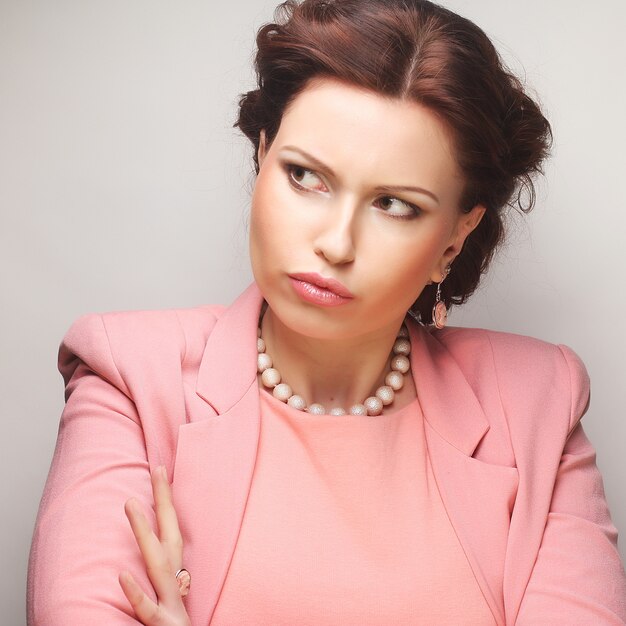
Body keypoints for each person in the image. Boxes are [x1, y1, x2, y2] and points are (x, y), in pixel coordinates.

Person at [26, 0, 626, 624]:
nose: (336, 243)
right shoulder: (129, 379)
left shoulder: (538, 404)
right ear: (262, 157)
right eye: (306, 176)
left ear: (455, 236)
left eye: (395, 204)